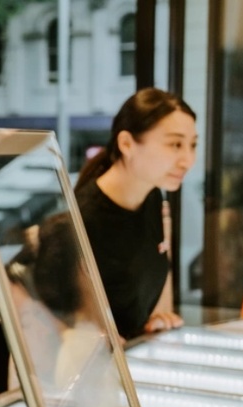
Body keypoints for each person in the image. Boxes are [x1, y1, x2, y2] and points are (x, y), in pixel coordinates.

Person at [73, 87, 198, 340]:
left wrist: (155, 318)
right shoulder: (84, 218)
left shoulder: (152, 197)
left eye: (192, 145)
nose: (188, 159)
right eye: (175, 144)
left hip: (133, 360)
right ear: (127, 144)